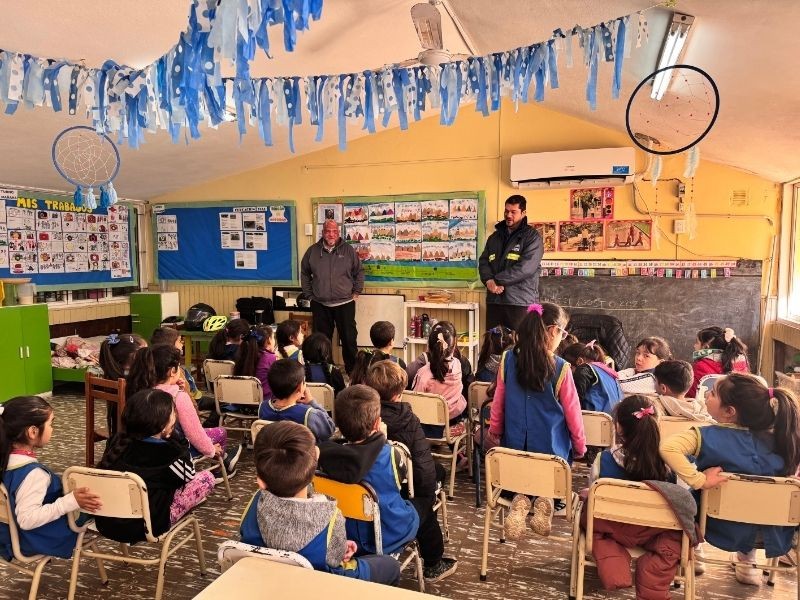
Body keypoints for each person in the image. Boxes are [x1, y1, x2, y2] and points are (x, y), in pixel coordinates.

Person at [660, 373, 800, 585]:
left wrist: (700, 480)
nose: (707, 394)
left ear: (729, 412)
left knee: (684, 501)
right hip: (772, 532)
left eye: (713, 393)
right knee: (759, 502)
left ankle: (694, 550)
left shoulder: (704, 435)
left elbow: (667, 448)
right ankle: (747, 562)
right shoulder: (784, 439)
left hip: (715, 527)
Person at [240, 421, 401, 586]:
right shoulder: (330, 517)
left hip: (267, 577)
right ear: (314, 471)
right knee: (391, 566)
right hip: (323, 581)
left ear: (260, 482)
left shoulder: (255, 503)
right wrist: (339, 546)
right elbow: (336, 559)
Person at [487, 302, 586, 540]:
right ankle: (546, 500)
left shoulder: (508, 359)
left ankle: (519, 501)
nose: (562, 339)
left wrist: (495, 430)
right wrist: (580, 446)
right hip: (550, 456)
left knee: (519, 480)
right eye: (563, 333)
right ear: (552, 331)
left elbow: (498, 402)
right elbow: (573, 414)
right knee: (552, 479)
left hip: (514, 452)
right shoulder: (561, 368)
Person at [586, 395, 696, 599]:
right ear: (657, 424)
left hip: (615, 528)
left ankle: (614, 565)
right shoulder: (675, 464)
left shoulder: (604, 460)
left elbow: (593, 488)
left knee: (590, 513)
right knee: (678, 534)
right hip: (656, 530)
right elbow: (685, 500)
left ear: (618, 427)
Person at [365, 361, 458, 582]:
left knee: (435, 473)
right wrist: (428, 495)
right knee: (426, 500)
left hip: (367, 488)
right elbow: (423, 467)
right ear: (399, 393)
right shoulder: (408, 420)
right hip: (403, 489)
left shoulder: (360, 416)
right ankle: (433, 564)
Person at [95, 389, 215, 543]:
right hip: (146, 525)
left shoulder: (117, 441)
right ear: (163, 423)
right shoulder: (169, 453)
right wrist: (177, 438)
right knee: (207, 478)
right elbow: (188, 475)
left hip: (106, 522)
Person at [318, 385, 420, 556]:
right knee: (417, 508)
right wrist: (383, 441)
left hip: (342, 534)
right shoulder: (391, 454)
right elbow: (398, 484)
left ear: (339, 425)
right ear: (377, 423)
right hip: (384, 536)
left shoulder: (324, 458)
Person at [0, 396, 102, 560]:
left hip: (7, 537)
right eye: (50, 424)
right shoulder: (34, 474)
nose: (52, 429)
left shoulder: (5, 460)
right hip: (32, 540)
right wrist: (70, 501)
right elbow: (27, 520)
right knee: (94, 505)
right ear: (33, 432)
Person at [126, 345, 241, 481]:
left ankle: (226, 458)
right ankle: (218, 472)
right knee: (221, 432)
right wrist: (210, 450)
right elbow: (194, 433)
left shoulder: (142, 390)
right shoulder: (178, 396)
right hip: (177, 450)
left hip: (144, 450)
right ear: (172, 371)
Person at [301, 219, 364, 374]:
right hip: (320, 304)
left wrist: (357, 291)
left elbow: (359, 272)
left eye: (334, 231)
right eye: (328, 231)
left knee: (349, 340)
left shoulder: (348, 250)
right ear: (323, 232)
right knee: (321, 342)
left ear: (338, 233)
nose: (331, 234)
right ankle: (325, 372)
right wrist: (309, 295)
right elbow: (304, 273)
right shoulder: (312, 251)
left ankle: (352, 373)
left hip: (345, 303)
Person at [478, 194, 544, 330]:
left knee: (518, 341)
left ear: (523, 213)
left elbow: (526, 268)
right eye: (506, 211)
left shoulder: (532, 237)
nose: (508, 215)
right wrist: (488, 280)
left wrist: (496, 280)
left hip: (520, 302)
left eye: (513, 212)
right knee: (492, 340)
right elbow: (484, 261)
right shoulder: (494, 237)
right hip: (495, 301)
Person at [411, 323, 467, 439]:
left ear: (428, 346)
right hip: (454, 420)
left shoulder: (423, 374)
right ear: (454, 344)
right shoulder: (458, 365)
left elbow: (415, 404)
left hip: (430, 428)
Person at [258, 359, 335, 442]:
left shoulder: (263, 408)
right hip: (303, 450)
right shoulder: (308, 414)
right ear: (300, 387)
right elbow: (329, 428)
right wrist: (312, 402)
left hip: (275, 449)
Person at [406, 320, 473, 399]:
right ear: (454, 342)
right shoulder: (460, 364)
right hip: (458, 407)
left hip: (427, 406)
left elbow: (414, 398)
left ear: (429, 344)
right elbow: (468, 393)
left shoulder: (421, 371)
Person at [99, 332, 147, 435]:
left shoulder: (115, 375)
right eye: (145, 352)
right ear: (134, 356)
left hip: (117, 429)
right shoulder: (134, 379)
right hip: (134, 432)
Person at [561, 341, 623, 414]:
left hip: (594, 419)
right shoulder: (608, 372)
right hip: (612, 418)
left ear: (579, 361)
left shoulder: (584, 369)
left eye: (570, 369)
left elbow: (573, 403)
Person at [688, 326, 750, 397]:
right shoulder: (741, 362)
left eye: (697, 342)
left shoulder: (700, 366)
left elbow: (693, 395)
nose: (694, 346)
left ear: (706, 347)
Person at [150, 327, 202, 403]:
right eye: (180, 341)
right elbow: (189, 399)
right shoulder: (174, 370)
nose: (182, 344)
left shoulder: (152, 364)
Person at [234, 325, 277, 399]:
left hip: (242, 399)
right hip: (264, 401)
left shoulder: (243, 354)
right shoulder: (270, 358)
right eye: (273, 338)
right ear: (269, 340)